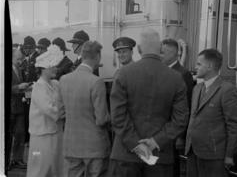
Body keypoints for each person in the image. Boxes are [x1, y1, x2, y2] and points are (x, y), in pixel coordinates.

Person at [108, 28, 189, 177]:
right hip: (160, 157)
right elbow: (181, 119)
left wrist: (135, 144)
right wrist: (156, 141)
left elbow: (117, 116)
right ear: (160, 49)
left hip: (125, 156)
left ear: (138, 49)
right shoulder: (176, 78)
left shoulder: (123, 74)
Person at [185, 49, 237, 177]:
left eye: (199, 64)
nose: (195, 67)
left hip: (214, 156)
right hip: (193, 151)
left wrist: (229, 155)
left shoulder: (227, 90)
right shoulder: (197, 88)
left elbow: (234, 126)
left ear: (210, 66)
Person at [59, 41, 111, 177]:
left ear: (82, 55)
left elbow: (60, 112)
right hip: (94, 146)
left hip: (71, 144)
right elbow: (101, 119)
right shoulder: (96, 81)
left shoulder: (64, 80)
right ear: (98, 56)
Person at [26, 45, 65, 177]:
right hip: (41, 137)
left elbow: (62, 103)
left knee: (56, 166)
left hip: (55, 133)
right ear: (44, 68)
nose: (56, 68)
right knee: (40, 167)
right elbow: (50, 109)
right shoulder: (39, 87)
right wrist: (63, 111)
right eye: (53, 65)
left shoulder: (55, 84)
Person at [161, 38, 194, 177]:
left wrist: (181, 136)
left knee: (173, 164)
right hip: (162, 127)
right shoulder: (162, 70)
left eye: (163, 52)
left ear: (173, 53)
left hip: (174, 129)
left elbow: (186, 105)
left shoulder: (183, 73)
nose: (160, 55)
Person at [8, 48, 30, 169]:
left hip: (20, 107)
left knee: (20, 134)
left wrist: (26, 88)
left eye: (21, 59)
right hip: (11, 107)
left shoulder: (19, 70)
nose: (20, 61)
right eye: (18, 59)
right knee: (9, 135)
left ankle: (18, 159)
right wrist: (18, 87)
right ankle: (7, 160)